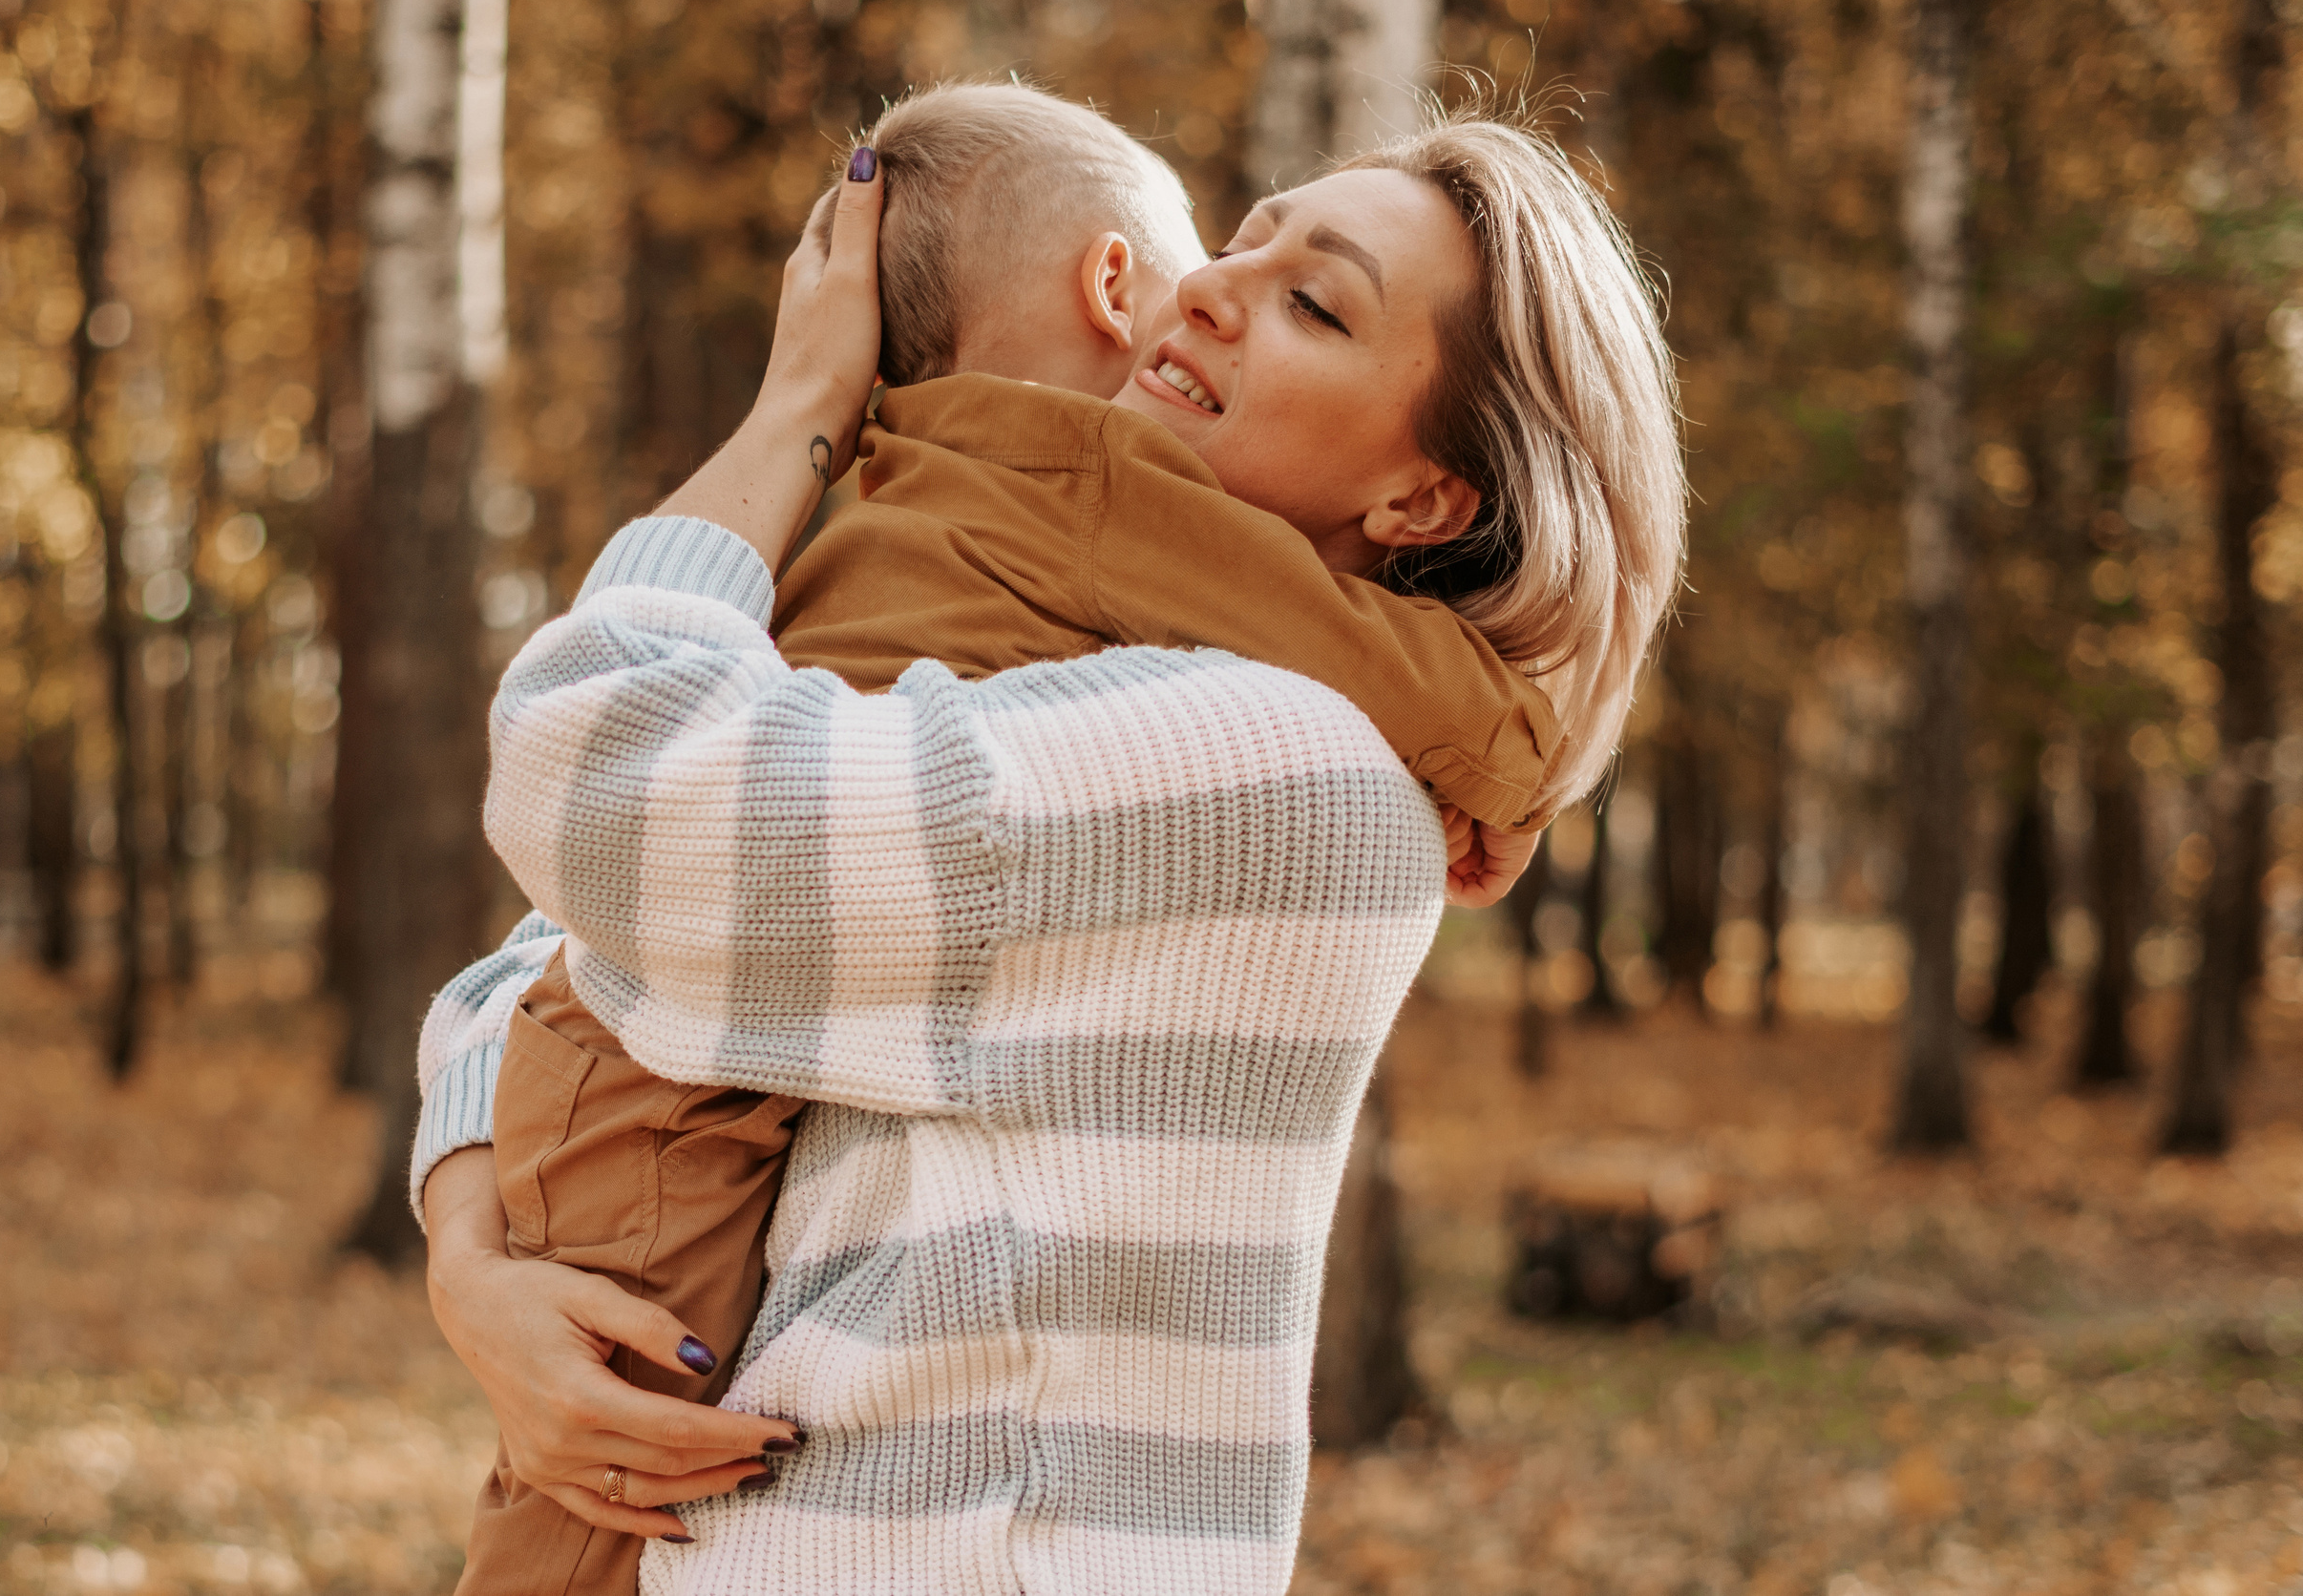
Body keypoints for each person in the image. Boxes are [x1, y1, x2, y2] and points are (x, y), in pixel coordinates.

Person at [422, 96, 1684, 1596]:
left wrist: (794, 415)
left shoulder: (1262, 764)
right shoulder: (1078, 675)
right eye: (1245, 236)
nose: (1210, 284)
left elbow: (604, 798)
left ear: (1421, 495)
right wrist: (474, 1255)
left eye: (1312, 303)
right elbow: (566, 942)